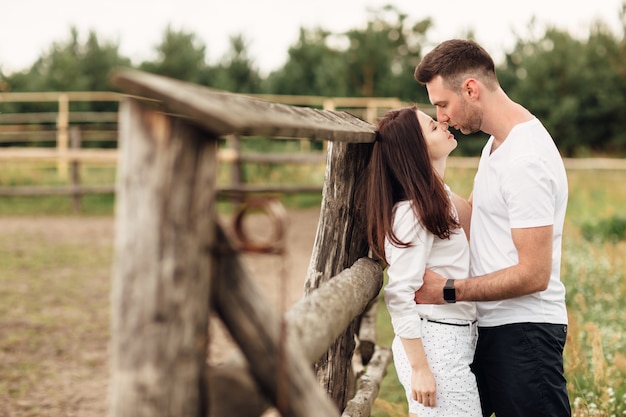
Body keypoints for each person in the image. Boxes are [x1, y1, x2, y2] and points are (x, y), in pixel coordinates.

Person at [413, 39, 571, 417]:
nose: (442, 115)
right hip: (499, 329)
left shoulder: (525, 158)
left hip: (524, 334)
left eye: (443, 104)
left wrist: (448, 291)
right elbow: (475, 217)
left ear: (471, 89)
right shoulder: (498, 145)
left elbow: (534, 274)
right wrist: (420, 184)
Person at [360, 105, 481, 417]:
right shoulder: (413, 212)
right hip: (434, 345)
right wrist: (420, 368)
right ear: (416, 149)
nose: (443, 123)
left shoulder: (438, 198)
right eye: (431, 127)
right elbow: (399, 293)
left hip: (452, 337)